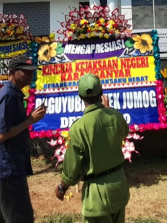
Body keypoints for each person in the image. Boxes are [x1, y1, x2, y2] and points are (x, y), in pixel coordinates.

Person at [54, 73, 130, 223]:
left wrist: (62, 187)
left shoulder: (78, 128)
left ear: (80, 96)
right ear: (101, 93)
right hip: (118, 187)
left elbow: (71, 167)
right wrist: (108, 110)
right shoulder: (116, 116)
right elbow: (123, 132)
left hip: (97, 195)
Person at [0, 55, 46, 223]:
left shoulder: (13, 94)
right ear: (12, 72)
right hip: (8, 169)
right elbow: (1, 135)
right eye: (25, 72)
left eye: (31, 72)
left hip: (4, 167)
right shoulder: (7, 97)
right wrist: (30, 121)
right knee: (19, 217)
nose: (29, 76)